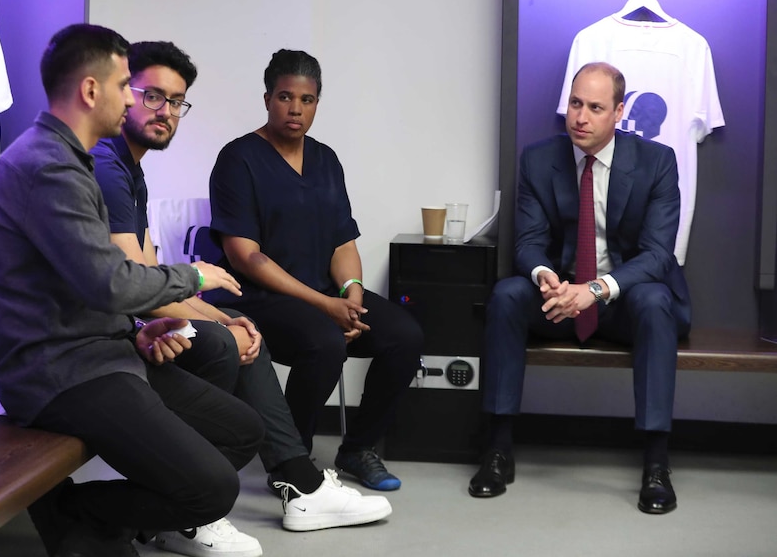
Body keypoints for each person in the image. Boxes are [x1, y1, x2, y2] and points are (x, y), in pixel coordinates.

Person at [0, 23, 267, 557]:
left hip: (102, 356)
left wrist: (139, 329)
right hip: (59, 375)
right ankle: (75, 514)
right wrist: (196, 275)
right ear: (91, 91)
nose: (132, 98)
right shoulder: (49, 167)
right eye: (125, 86)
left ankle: (86, 525)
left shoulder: (74, 161)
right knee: (214, 487)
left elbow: (84, 284)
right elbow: (110, 281)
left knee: (242, 432)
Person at [91, 40, 393, 541]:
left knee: (239, 364)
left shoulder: (130, 170)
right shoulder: (107, 166)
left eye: (176, 101)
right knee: (237, 350)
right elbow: (140, 283)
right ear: (118, 93)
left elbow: (145, 275)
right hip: (95, 348)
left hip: (132, 325)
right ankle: (280, 484)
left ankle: (266, 484)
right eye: (150, 96)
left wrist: (224, 318)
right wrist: (215, 310)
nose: (165, 111)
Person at [469, 62, 691, 515]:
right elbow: (528, 243)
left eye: (594, 107)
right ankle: (498, 448)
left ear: (618, 112)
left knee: (655, 300)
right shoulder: (538, 158)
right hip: (560, 299)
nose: (580, 117)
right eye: (575, 104)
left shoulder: (656, 162)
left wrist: (596, 288)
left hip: (623, 300)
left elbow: (657, 255)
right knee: (508, 295)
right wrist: (544, 277)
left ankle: (655, 462)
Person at [207, 49, 424, 492]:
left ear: (317, 103)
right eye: (285, 97)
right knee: (324, 342)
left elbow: (343, 241)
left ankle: (357, 449)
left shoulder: (325, 159)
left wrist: (352, 297)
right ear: (267, 99)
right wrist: (325, 305)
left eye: (306, 100)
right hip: (260, 299)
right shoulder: (238, 160)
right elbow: (245, 255)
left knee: (405, 335)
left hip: (324, 295)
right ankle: (292, 461)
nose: (295, 109)